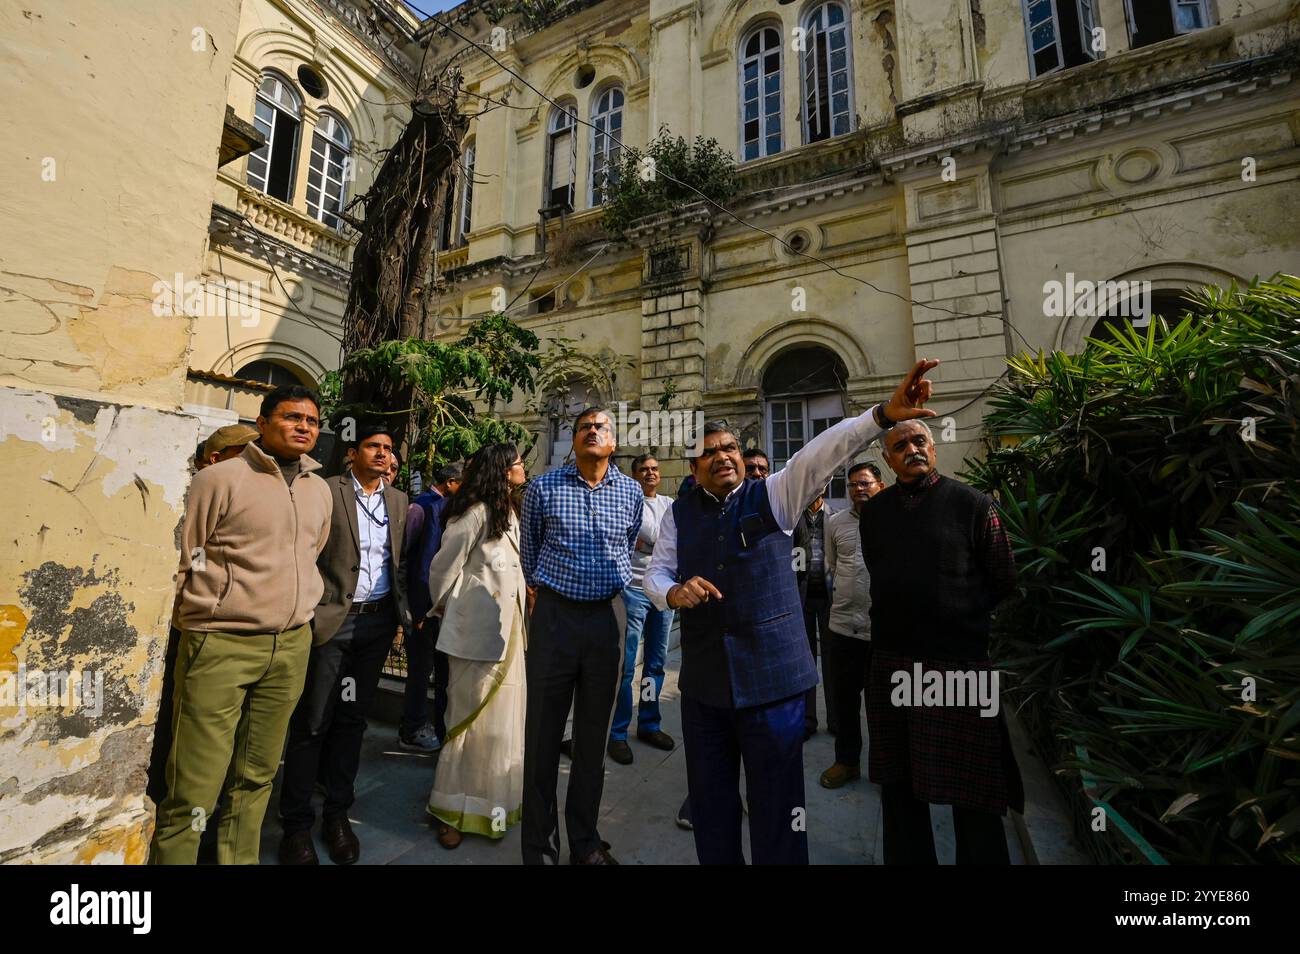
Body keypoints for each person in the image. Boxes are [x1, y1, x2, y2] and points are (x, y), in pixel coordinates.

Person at [644, 360, 939, 865]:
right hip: (705, 687)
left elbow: (822, 451)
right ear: (694, 470)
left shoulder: (775, 495)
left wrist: (883, 416)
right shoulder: (678, 513)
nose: (723, 458)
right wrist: (672, 594)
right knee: (712, 807)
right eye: (709, 453)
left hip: (772, 684)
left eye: (730, 449)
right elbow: (656, 572)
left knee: (779, 809)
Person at [151, 385, 333, 864]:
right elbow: (184, 557)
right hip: (220, 644)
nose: (303, 427)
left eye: (312, 421)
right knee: (194, 785)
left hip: (291, 646)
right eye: (292, 417)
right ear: (264, 421)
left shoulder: (319, 489)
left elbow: (310, 557)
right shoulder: (220, 480)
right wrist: (198, 620)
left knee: (256, 777)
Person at [860, 420, 1021, 864]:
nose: (912, 449)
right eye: (900, 445)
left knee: (974, 788)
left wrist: (956, 613)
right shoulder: (874, 513)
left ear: (933, 448)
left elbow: (1004, 578)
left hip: (960, 666)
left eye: (919, 442)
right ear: (888, 459)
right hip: (892, 662)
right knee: (898, 782)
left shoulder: (972, 504)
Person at [277, 422, 412, 865]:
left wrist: (398, 617)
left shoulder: (397, 499)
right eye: (372, 446)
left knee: (353, 722)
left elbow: (397, 562)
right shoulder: (326, 490)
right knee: (313, 722)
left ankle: (337, 816)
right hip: (332, 623)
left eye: (387, 448)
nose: (381, 454)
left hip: (375, 626)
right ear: (353, 453)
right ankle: (295, 826)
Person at [520, 405, 643, 865]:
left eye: (601, 427)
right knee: (542, 738)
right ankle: (539, 848)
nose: (593, 431)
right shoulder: (542, 488)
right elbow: (529, 555)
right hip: (554, 618)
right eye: (584, 427)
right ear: (573, 440)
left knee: (592, 740)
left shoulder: (630, 492)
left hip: (607, 618)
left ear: (613, 441)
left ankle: (586, 845)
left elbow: (626, 547)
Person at [425, 444, 529, 848]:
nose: (522, 466)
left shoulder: (511, 511)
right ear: (501, 470)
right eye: (517, 461)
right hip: (474, 638)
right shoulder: (472, 515)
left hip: (512, 634)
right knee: (466, 727)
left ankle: (492, 806)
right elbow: (442, 570)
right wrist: (460, 614)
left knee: (500, 728)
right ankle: (450, 810)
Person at [607, 454, 676, 765]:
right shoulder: (627, 502)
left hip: (663, 593)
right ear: (634, 476)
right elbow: (649, 538)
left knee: (655, 665)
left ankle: (648, 724)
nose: (650, 474)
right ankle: (617, 733)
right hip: (634, 591)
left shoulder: (669, 504)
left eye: (654, 469)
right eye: (644, 470)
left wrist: (651, 542)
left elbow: (664, 542)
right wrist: (653, 542)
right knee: (625, 667)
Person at [818, 462, 883, 789]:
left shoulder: (894, 522)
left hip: (881, 630)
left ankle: (885, 766)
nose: (859, 489)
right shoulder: (835, 523)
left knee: (882, 703)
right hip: (842, 627)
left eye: (866, 483)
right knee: (844, 702)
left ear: (880, 486)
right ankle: (846, 762)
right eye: (854, 485)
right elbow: (832, 564)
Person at [400, 461, 463, 751]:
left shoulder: (447, 508)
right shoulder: (421, 507)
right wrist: (415, 608)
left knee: (440, 670)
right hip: (422, 605)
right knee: (419, 670)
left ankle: (439, 727)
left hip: (439, 605)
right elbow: (408, 557)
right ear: (450, 482)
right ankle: (411, 728)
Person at [793, 487, 832, 738]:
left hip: (831, 598)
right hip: (802, 597)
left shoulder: (835, 517)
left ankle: (836, 719)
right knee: (806, 663)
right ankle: (807, 721)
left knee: (832, 662)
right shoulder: (794, 519)